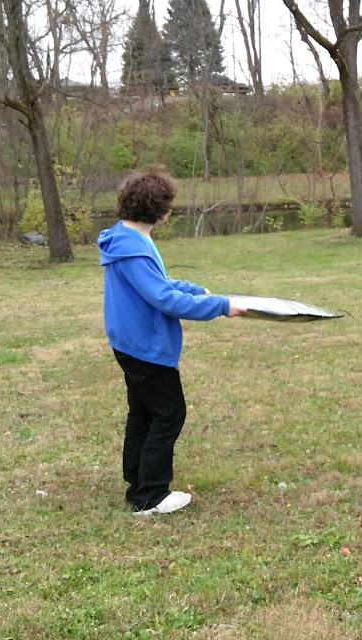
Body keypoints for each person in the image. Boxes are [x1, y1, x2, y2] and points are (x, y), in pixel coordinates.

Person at [97, 168, 246, 516]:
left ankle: (137, 481)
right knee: (168, 413)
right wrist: (221, 306)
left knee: (145, 413)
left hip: (132, 343)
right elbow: (164, 299)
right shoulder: (132, 248)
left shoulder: (128, 238)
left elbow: (159, 283)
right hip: (143, 347)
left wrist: (195, 289)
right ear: (160, 210)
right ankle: (150, 495)